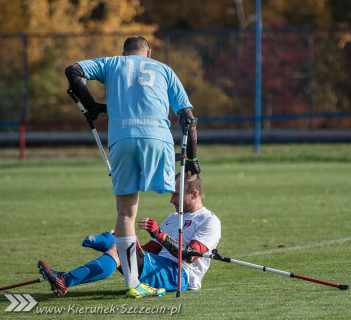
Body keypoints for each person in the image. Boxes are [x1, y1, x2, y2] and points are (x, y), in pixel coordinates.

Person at [64, 35, 201, 297]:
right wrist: (192, 160)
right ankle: (174, 239)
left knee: (126, 213)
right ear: (148, 53)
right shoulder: (164, 69)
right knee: (175, 192)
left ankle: (133, 283)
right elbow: (188, 118)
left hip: (121, 139)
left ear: (124, 52)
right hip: (158, 141)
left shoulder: (112, 63)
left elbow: (74, 71)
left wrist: (91, 105)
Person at [38, 174, 221, 298]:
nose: (171, 200)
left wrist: (159, 234)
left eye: (176, 195)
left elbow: (190, 256)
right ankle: (107, 243)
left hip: (179, 274)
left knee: (120, 249)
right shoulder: (173, 218)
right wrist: (129, 239)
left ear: (194, 194)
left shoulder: (209, 221)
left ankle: (65, 280)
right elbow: (151, 250)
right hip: (156, 265)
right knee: (120, 241)